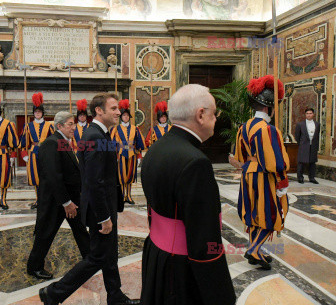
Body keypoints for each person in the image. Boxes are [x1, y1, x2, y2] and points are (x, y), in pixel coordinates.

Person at [40, 93, 139, 305]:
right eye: (113, 108)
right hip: (99, 209)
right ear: (99, 111)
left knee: (110, 254)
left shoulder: (98, 134)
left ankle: (115, 296)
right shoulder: (94, 136)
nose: (118, 112)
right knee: (97, 258)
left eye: (118, 108)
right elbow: (94, 181)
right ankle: (54, 293)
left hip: (104, 205)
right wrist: (104, 216)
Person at [141, 84, 235, 305]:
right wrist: (221, 295)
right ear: (201, 114)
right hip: (181, 271)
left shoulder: (157, 147)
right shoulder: (195, 162)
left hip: (157, 255)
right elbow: (205, 242)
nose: (216, 119)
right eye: (214, 113)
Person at [229, 75, 290, 270]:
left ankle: (256, 249)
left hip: (247, 173)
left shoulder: (243, 127)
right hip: (264, 175)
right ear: (268, 107)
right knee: (271, 212)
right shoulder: (268, 129)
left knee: (254, 213)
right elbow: (275, 162)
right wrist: (282, 183)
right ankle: (254, 249)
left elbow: (239, 156)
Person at [27, 111, 90, 280]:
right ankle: (34, 267)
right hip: (56, 201)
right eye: (70, 124)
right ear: (59, 126)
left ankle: (91, 259)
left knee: (80, 229)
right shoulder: (51, 143)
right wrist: (66, 202)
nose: (74, 127)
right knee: (45, 233)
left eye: (74, 124)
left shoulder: (62, 142)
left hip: (69, 199)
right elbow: (54, 176)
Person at [18, 92, 54, 209]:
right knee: (36, 177)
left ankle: (46, 199)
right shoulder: (28, 126)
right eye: (36, 112)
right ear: (33, 113)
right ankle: (38, 199)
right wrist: (24, 154)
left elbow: (54, 140)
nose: (37, 114)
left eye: (39, 112)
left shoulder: (49, 125)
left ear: (42, 113)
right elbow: (23, 143)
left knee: (46, 176)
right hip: (33, 153)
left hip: (46, 152)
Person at [111, 99, 145, 204]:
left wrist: (139, 156)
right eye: (124, 115)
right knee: (121, 176)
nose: (125, 117)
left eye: (127, 116)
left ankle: (128, 196)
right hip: (120, 155)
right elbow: (112, 144)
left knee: (130, 176)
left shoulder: (135, 129)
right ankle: (121, 196)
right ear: (121, 117)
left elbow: (139, 143)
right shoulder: (115, 129)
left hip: (132, 155)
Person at [295, 107, 320, 184]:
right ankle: (300, 178)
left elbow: (317, 136)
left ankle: (312, 178)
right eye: (307, 113)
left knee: (312, 162)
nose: (309, 115)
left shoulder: (317, 124)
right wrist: (301, 144)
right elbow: (297, 136)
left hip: (313, 146)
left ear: (313, 114)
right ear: (305, 115)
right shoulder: (300, 124)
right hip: (303, 145)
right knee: (301, 162)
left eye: (310, 113)